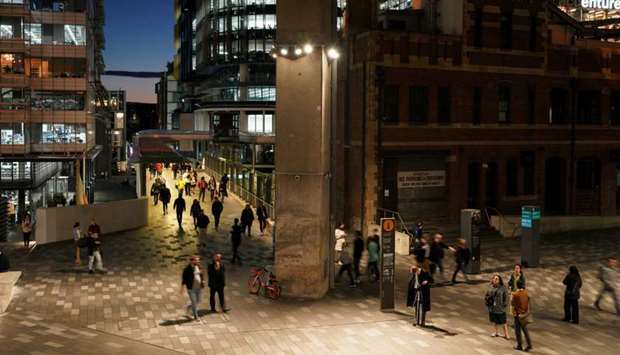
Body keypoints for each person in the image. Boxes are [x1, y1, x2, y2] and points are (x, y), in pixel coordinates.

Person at [485, 274, 510, 339]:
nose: (495, 280)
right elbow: (486, 295)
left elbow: (506, 297)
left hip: (500, 307)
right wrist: (488, 301)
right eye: (494, 278)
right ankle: (495, 332)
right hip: (492, 307)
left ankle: (506, 334)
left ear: (499, 280)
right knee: (494, 320)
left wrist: (505, 304)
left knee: (503, 321)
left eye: (497, 279)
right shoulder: (490, 287)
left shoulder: (503, 288)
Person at [181, 255, 204, 320]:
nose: (198, 261)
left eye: (198, 260)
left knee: (198, 301)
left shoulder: (199, 266)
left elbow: (201, 274)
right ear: (192, 261)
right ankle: (196, 316)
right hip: (191, 288)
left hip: (199, 287)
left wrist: (203, 280)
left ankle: (188, 307)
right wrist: (182, 288)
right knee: (194, 302)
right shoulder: (187, 269)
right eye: (196, 260)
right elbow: (184, 279)